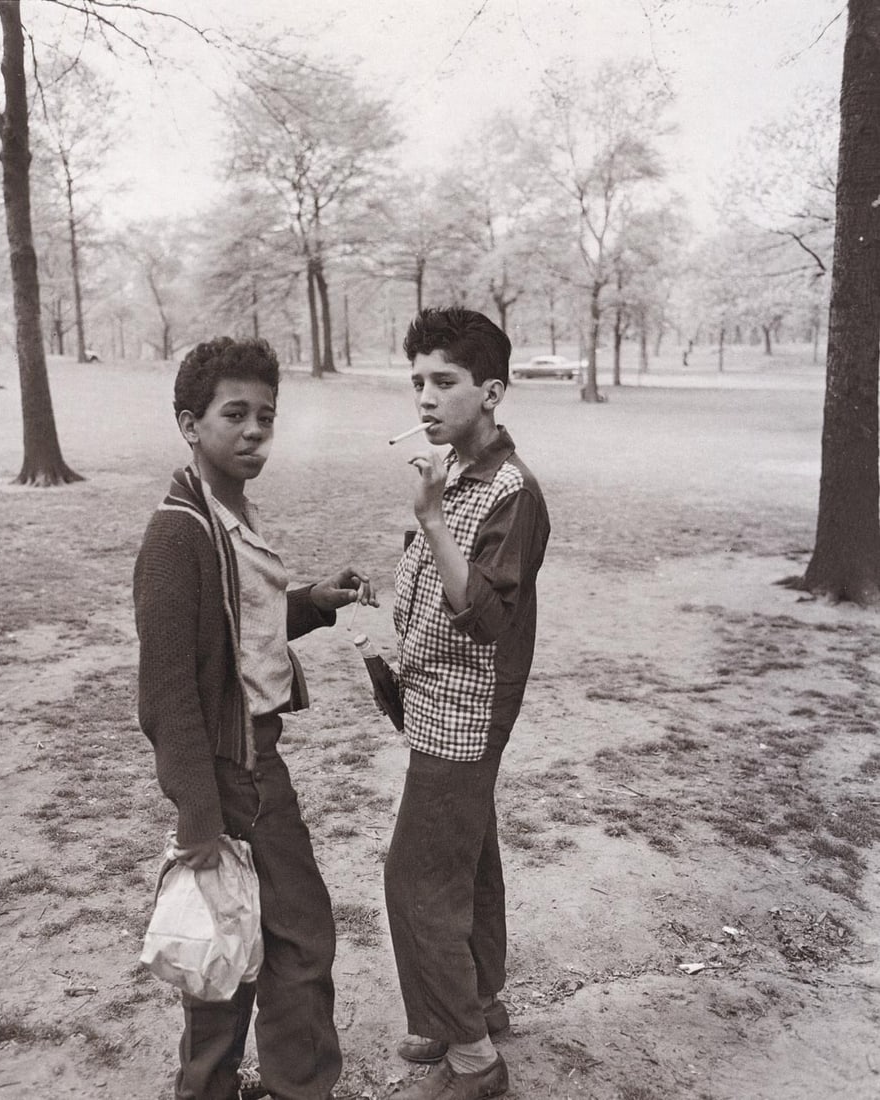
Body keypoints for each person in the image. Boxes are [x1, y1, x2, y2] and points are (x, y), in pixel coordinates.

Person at [134, 336, 377, 1100]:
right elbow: (169, 693)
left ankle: (216, 1087)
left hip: (252, 760)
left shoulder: (228, 511)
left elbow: (240, 636)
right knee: (288, 937)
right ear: (188, 422)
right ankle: (293, 1086)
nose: (252, 432)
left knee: (234, 938)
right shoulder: (179, 533)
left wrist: (312, 602)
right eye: (233, 414)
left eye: (265, 417)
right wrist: (200, 817)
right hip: (232, 771)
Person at [385, 308, 550, 1100]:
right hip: (436, 697)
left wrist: (427, 518)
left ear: (492, 391)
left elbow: (485, 614)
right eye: (416, 381)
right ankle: (477, 1005)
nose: (424, 397)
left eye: (443, 382)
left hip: (470, 706)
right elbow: (429, 579)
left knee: (419, 877)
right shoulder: (455, 470)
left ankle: (474, 1058)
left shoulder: (512, 491)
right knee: (469, 860)